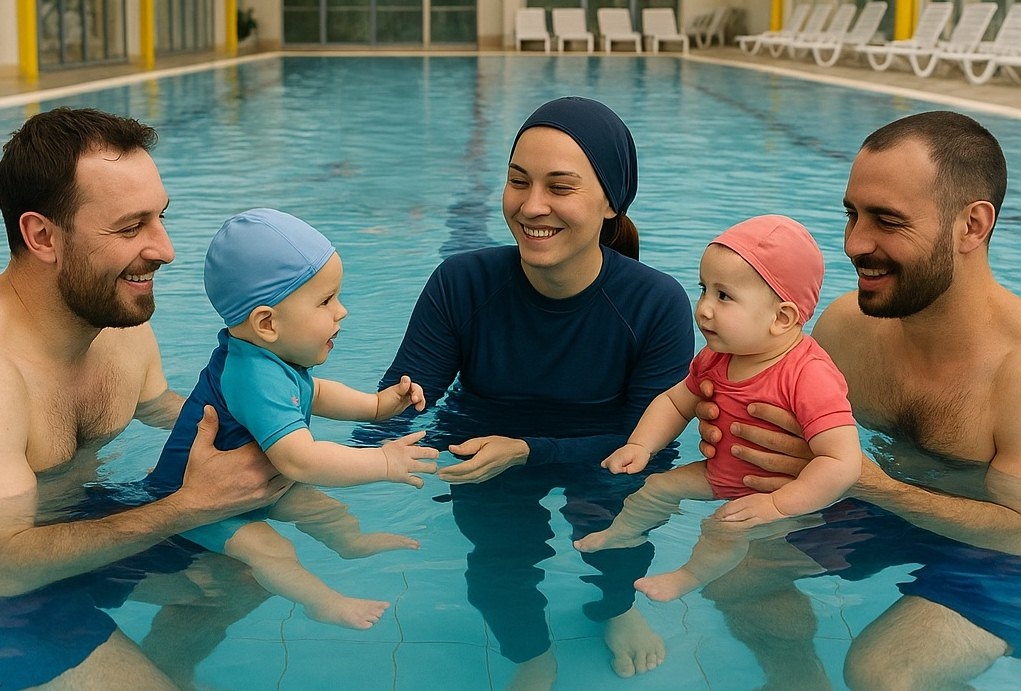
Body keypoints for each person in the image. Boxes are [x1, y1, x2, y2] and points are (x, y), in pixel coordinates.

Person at [367, 96, 695, 690]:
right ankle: (530, 654)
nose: (531, 205)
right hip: (480, 442)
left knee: (620, 527)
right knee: (498, 557)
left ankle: (616, 608)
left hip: (602, 446)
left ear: (610, 202)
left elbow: (644, 444)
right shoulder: (462, 283)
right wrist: (320, 442)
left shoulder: (655, 304)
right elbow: (401, 400)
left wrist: (528, 449)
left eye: (559, 187)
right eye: (518, 181)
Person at [694, 111, 1021, 689]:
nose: (853, 245)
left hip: (1004, 550)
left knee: (881, 674)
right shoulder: (848, 330)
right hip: (887, 505)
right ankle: (795, 679)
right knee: (730, 575)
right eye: (852, 214)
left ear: (972, 226)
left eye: (887, 220)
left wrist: (870, 483)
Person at [0, 107, 291, 689]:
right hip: (8, 584)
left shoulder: (118, 327)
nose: (165, 250)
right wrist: (190, 505)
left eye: (160, 219)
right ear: (41, 236)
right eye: (131, 229)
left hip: (72, 525)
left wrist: (280, 435)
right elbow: (6, 568)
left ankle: (166, 671)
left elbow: (168, 409)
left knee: (252, 569)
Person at [147, 208, 439, 630]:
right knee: (269, 548)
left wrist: (375, 406)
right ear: (267, 322)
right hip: (196, 504)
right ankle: (321, 600)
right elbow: (301, 461)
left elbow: (314, 392)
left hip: (251, 486)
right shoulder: (253, 376)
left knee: (323, 508)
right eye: (325, 301)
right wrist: (384, 463)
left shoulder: (270, 358)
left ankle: (350, 542)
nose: (342, 312)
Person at [574, 215, 861, 603]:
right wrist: (641, 446)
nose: (704, 308)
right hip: (720, 474)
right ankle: (622, 533)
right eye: (704, 289)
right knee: (657, 486)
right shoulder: (717, 357)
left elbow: (842, 461)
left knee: (722, 526)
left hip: (783, 495)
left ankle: (687, 577)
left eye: (723, 296)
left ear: (782, 318)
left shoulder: (808, 376)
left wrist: (779, 504)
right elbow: (676, 402)